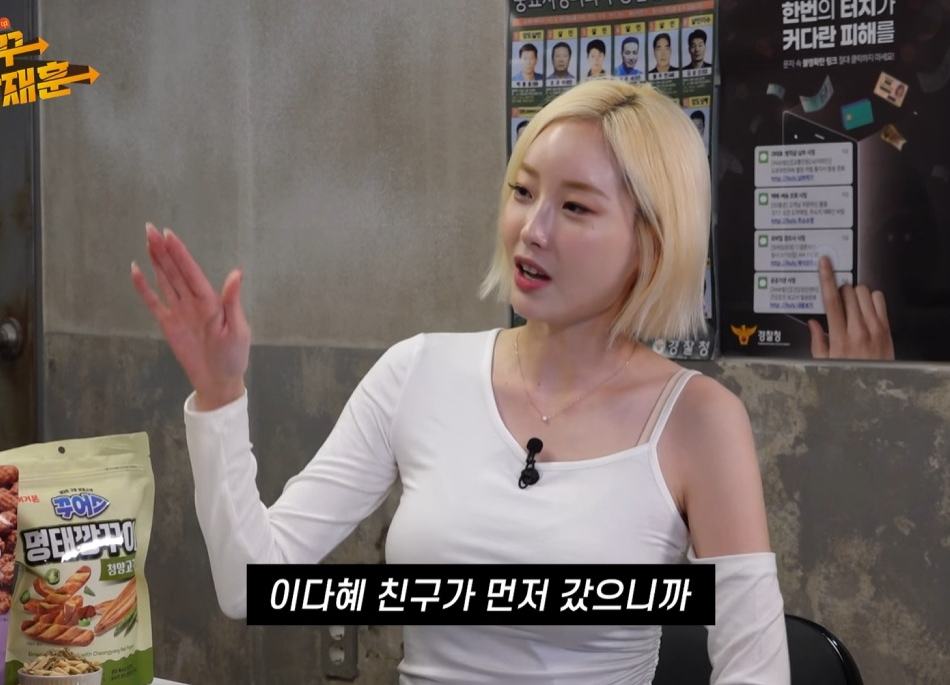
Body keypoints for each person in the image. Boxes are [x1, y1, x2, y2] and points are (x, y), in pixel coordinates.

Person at [131, 79, 791, 684]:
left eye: (574, 207)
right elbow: (250, 587)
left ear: (650, 242)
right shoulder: (417, 372)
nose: (532, 230)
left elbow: (755, 673)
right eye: (523, 192)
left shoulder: (699, 420)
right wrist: (219, 395)